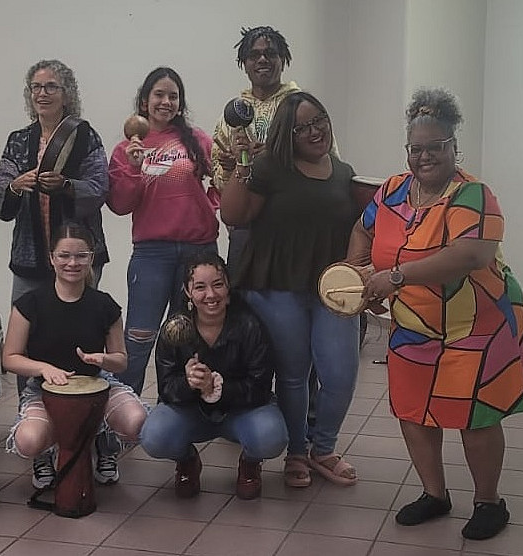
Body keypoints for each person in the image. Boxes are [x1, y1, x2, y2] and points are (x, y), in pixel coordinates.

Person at [347, 88, 523, 541]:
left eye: (436, 147)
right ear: (408, 150)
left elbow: (469, 255)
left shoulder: (473, 195)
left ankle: (489, 501)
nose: (425, 156)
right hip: (413, 324)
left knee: (474, 415)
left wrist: (395, 278)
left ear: (454, 147)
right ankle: (435, 494)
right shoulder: (391, 191)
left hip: (477, 325)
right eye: (417, 148)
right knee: (413, 410)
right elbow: (362, 227)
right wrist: (356, 272)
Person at [220, 91, 360, 489]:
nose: (315, 131)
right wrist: (244, 161)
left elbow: (360, 229)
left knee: (340, 374)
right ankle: (298, 452)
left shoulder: (345, 172)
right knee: (294, 374)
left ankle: (324, 448)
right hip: (277, 284)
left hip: (332, 289)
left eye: (320, 121)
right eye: (303, 127)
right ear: (287, 133)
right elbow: (234, 214)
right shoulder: (270, 168)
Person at [2, 223, 147, 489]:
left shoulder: (104, 304)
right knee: (29, 441)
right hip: (45, 389)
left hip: (97, 385)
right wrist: (44, 368)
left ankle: (105, 445)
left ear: (91, 258)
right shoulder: (30, 303)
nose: (72, 262)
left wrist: (103, 360)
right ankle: (48, 451)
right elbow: (10, 357)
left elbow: (121, 359)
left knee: (136, 422)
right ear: (52, 259)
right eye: (64, 255)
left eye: (81, 256)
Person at [108, 66, 219, 396]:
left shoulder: (196, 140)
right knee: (139, 338)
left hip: (198, 250)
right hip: (151, 254)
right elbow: (119, 204)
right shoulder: (127, 148)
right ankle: (123, 415)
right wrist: (132, 165)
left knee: (187, 337)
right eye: (159, 94)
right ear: (144, 101)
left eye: (173, 96)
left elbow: (225, 177)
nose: (166, 101)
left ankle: (178, 407)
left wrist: (210, 204)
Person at [140, 252, 286, 500]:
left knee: (271, 436)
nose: (210, 295)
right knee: (154, 435)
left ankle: (250, 463)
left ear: (228, 287)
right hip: (192, 412)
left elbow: (260, 387)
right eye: (200, 287)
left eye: (218, 284)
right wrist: (188, 383)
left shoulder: (249, 325)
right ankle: (187, 461)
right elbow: (166, 389)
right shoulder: (175, 329)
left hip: (240, 411)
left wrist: (216, 388)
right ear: (187, 291)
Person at [0, 59, 109, 302]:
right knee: (27, 328)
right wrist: (15, 185)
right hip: (29, 254)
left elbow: (99, 187)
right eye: (36, 87)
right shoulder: (19, 140)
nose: (42, 93)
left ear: (66, 95)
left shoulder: (85, 136)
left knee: (81, 325)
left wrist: (66, 186)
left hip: (77, 255)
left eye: (51, 87)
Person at [211, 26, 296, 269]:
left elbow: (325, 162)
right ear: (244, 63)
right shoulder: (231, 113)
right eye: (254, 55)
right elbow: (219, 181)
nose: (262, 59)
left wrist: (275, 155)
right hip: (246, 229)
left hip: (292, 225)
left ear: (283, 59)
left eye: (270, 53)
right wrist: (230, 168)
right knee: (244, 303)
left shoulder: (301, 107)